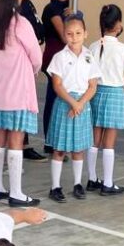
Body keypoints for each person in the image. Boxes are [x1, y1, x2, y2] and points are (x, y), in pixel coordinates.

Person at [0, 0, 42, 207]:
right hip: (19, 93)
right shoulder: (20, 24)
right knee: (16, 139)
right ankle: (16, 192)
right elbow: (36, 58)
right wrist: (32, 71)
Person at [46, 13, 98, 203]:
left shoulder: (90, 57)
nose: (74, 38)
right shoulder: (59, 57)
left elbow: (93, 85)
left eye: (78, 33)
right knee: (60, 148)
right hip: (65, 103)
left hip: (82, 105)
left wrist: (81, 103)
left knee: (78, 148)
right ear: (65, 35)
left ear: (85, 34)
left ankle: (77, 183)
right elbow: (57, 85)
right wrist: (73, 103)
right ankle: (55, 187)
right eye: (69, 34)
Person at [88, 4, 124, 196]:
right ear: (118, 25)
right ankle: (107, 183)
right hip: (115, 93)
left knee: (94, 137)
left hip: (96, 91)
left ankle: (91, 178)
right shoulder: (123, 49)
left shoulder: (93, 46)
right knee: (109, 141)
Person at [40, 0, 70, 154]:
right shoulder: (52, 9)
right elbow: (65, 36)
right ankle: (50, 142)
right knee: (54, 98)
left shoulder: (63, 10)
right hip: (54, 57)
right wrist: (71, 18)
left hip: (62, 57)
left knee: (57, 97)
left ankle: (54, 140)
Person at [17, 0, 45, 162]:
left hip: (29, 62)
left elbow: (38, 26)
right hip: (23, 63)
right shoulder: (21, 10)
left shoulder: (29, 4)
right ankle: (21, 145)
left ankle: (23, 143)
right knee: (20, 107)